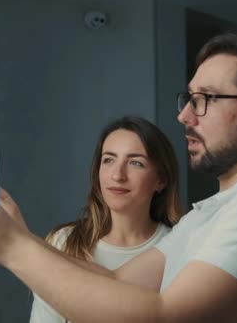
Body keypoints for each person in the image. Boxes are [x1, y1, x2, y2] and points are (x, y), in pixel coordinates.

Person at [0, 32, 237, 322]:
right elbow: (116, 284)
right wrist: (19, 236)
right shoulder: (208, 215)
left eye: (207, 99)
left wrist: (9, 247)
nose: (185, 116)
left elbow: (165, 317)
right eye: (188, 99)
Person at [29, 116, 183, 322]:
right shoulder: (64, 242)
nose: (118, 175)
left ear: (161, 180)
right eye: (109, 160)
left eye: (136, 163)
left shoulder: (182, 248)